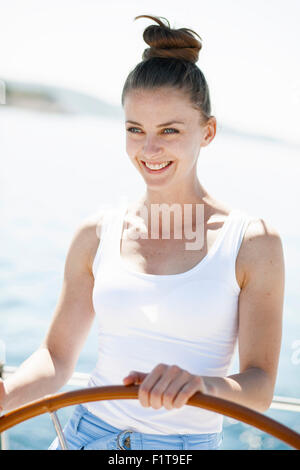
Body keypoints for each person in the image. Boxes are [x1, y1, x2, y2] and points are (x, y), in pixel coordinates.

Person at [0, 14, 285, 451]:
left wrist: (203, 385)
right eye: (135, 130)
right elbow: (56, 359)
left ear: (207, 132)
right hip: (81, 436)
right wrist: (6, 395)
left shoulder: (252, 243)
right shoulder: (95, 234)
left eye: (169, 131)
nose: (149, 150)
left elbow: (261, 386)